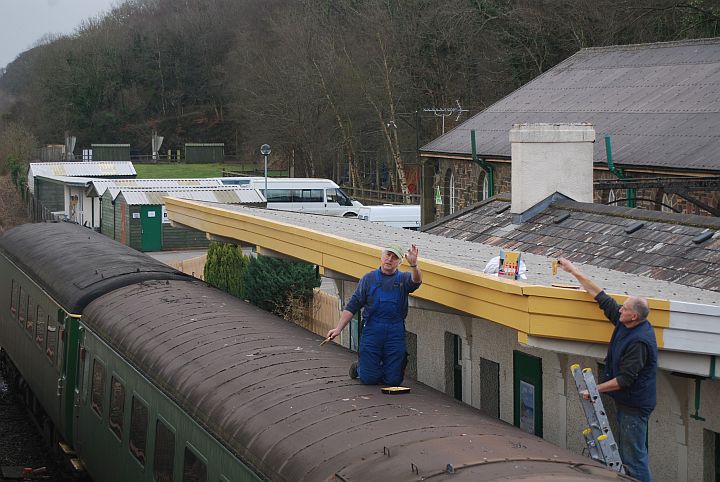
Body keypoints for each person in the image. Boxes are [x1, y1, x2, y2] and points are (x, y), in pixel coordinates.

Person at [557, 258, 657, 482]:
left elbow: (625, 380)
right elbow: (600, 296)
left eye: (625, 309)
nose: (620, 309)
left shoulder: (639, 342)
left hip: (635, 406)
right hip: (627, 403)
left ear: (634, 316)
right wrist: (573, 270)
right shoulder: (626, 322)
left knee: (634, 459)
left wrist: (593, 390)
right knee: (628, 454)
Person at [327, 244, 422, 386]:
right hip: (372, 329)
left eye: (394, 257)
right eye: (387, 255)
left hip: (395, 331)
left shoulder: (404, 279)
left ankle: (385, 371)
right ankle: (360, 368)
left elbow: (417, 281)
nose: (390, 259)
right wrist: (338, 328)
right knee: (369, 379)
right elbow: (353, 305)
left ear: (399, 262)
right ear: (382, 256)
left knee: (394, 381)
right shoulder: (368, 279)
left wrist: (414, 265)